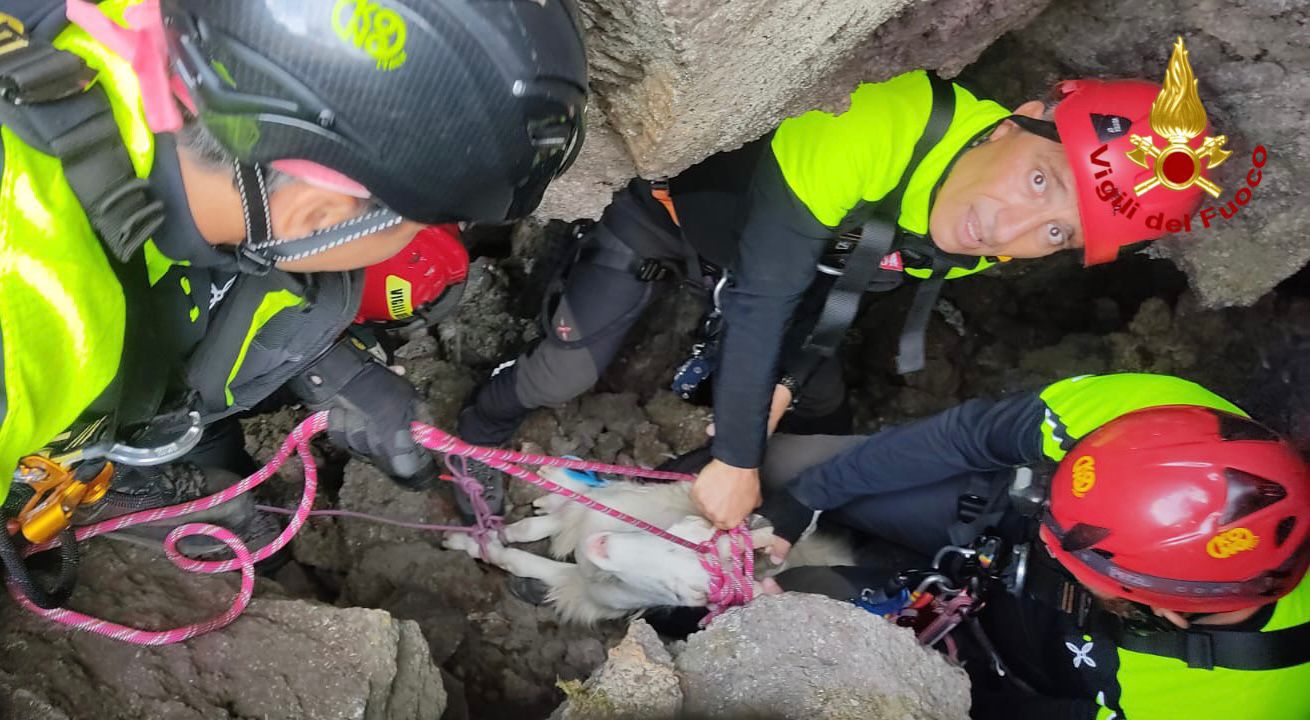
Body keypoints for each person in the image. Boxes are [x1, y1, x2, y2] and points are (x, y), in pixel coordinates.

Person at [0, 0, 586, 599]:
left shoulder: (148, 43)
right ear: (319, 215)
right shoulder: (25, 334)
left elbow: (241, 258)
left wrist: (335, 370)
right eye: (418, 224)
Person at [456, 68, 1213, 531]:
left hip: (792, 276)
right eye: (1041, 179)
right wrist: (734, 455)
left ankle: (810, 501)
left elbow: (846, 293)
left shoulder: (981, 233)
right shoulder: (878, 123)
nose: (1011, 226)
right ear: (1022, 115)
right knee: (565, 377)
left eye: (1057, 232)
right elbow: (762, 296)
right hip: (669, 227)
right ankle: (479, 431)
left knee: (818, 402)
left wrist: (778, 392)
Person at [753, 373, 1310, 719]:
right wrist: (806, 498)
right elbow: (966, 437)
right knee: (780, 467)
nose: (1048, 542)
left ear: (1165, 609)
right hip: (987, 520)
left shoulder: (1216, 706)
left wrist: (931, 670)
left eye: (1071, 549)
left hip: (1010, 665)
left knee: (797, 612)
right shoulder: (1155, 415)